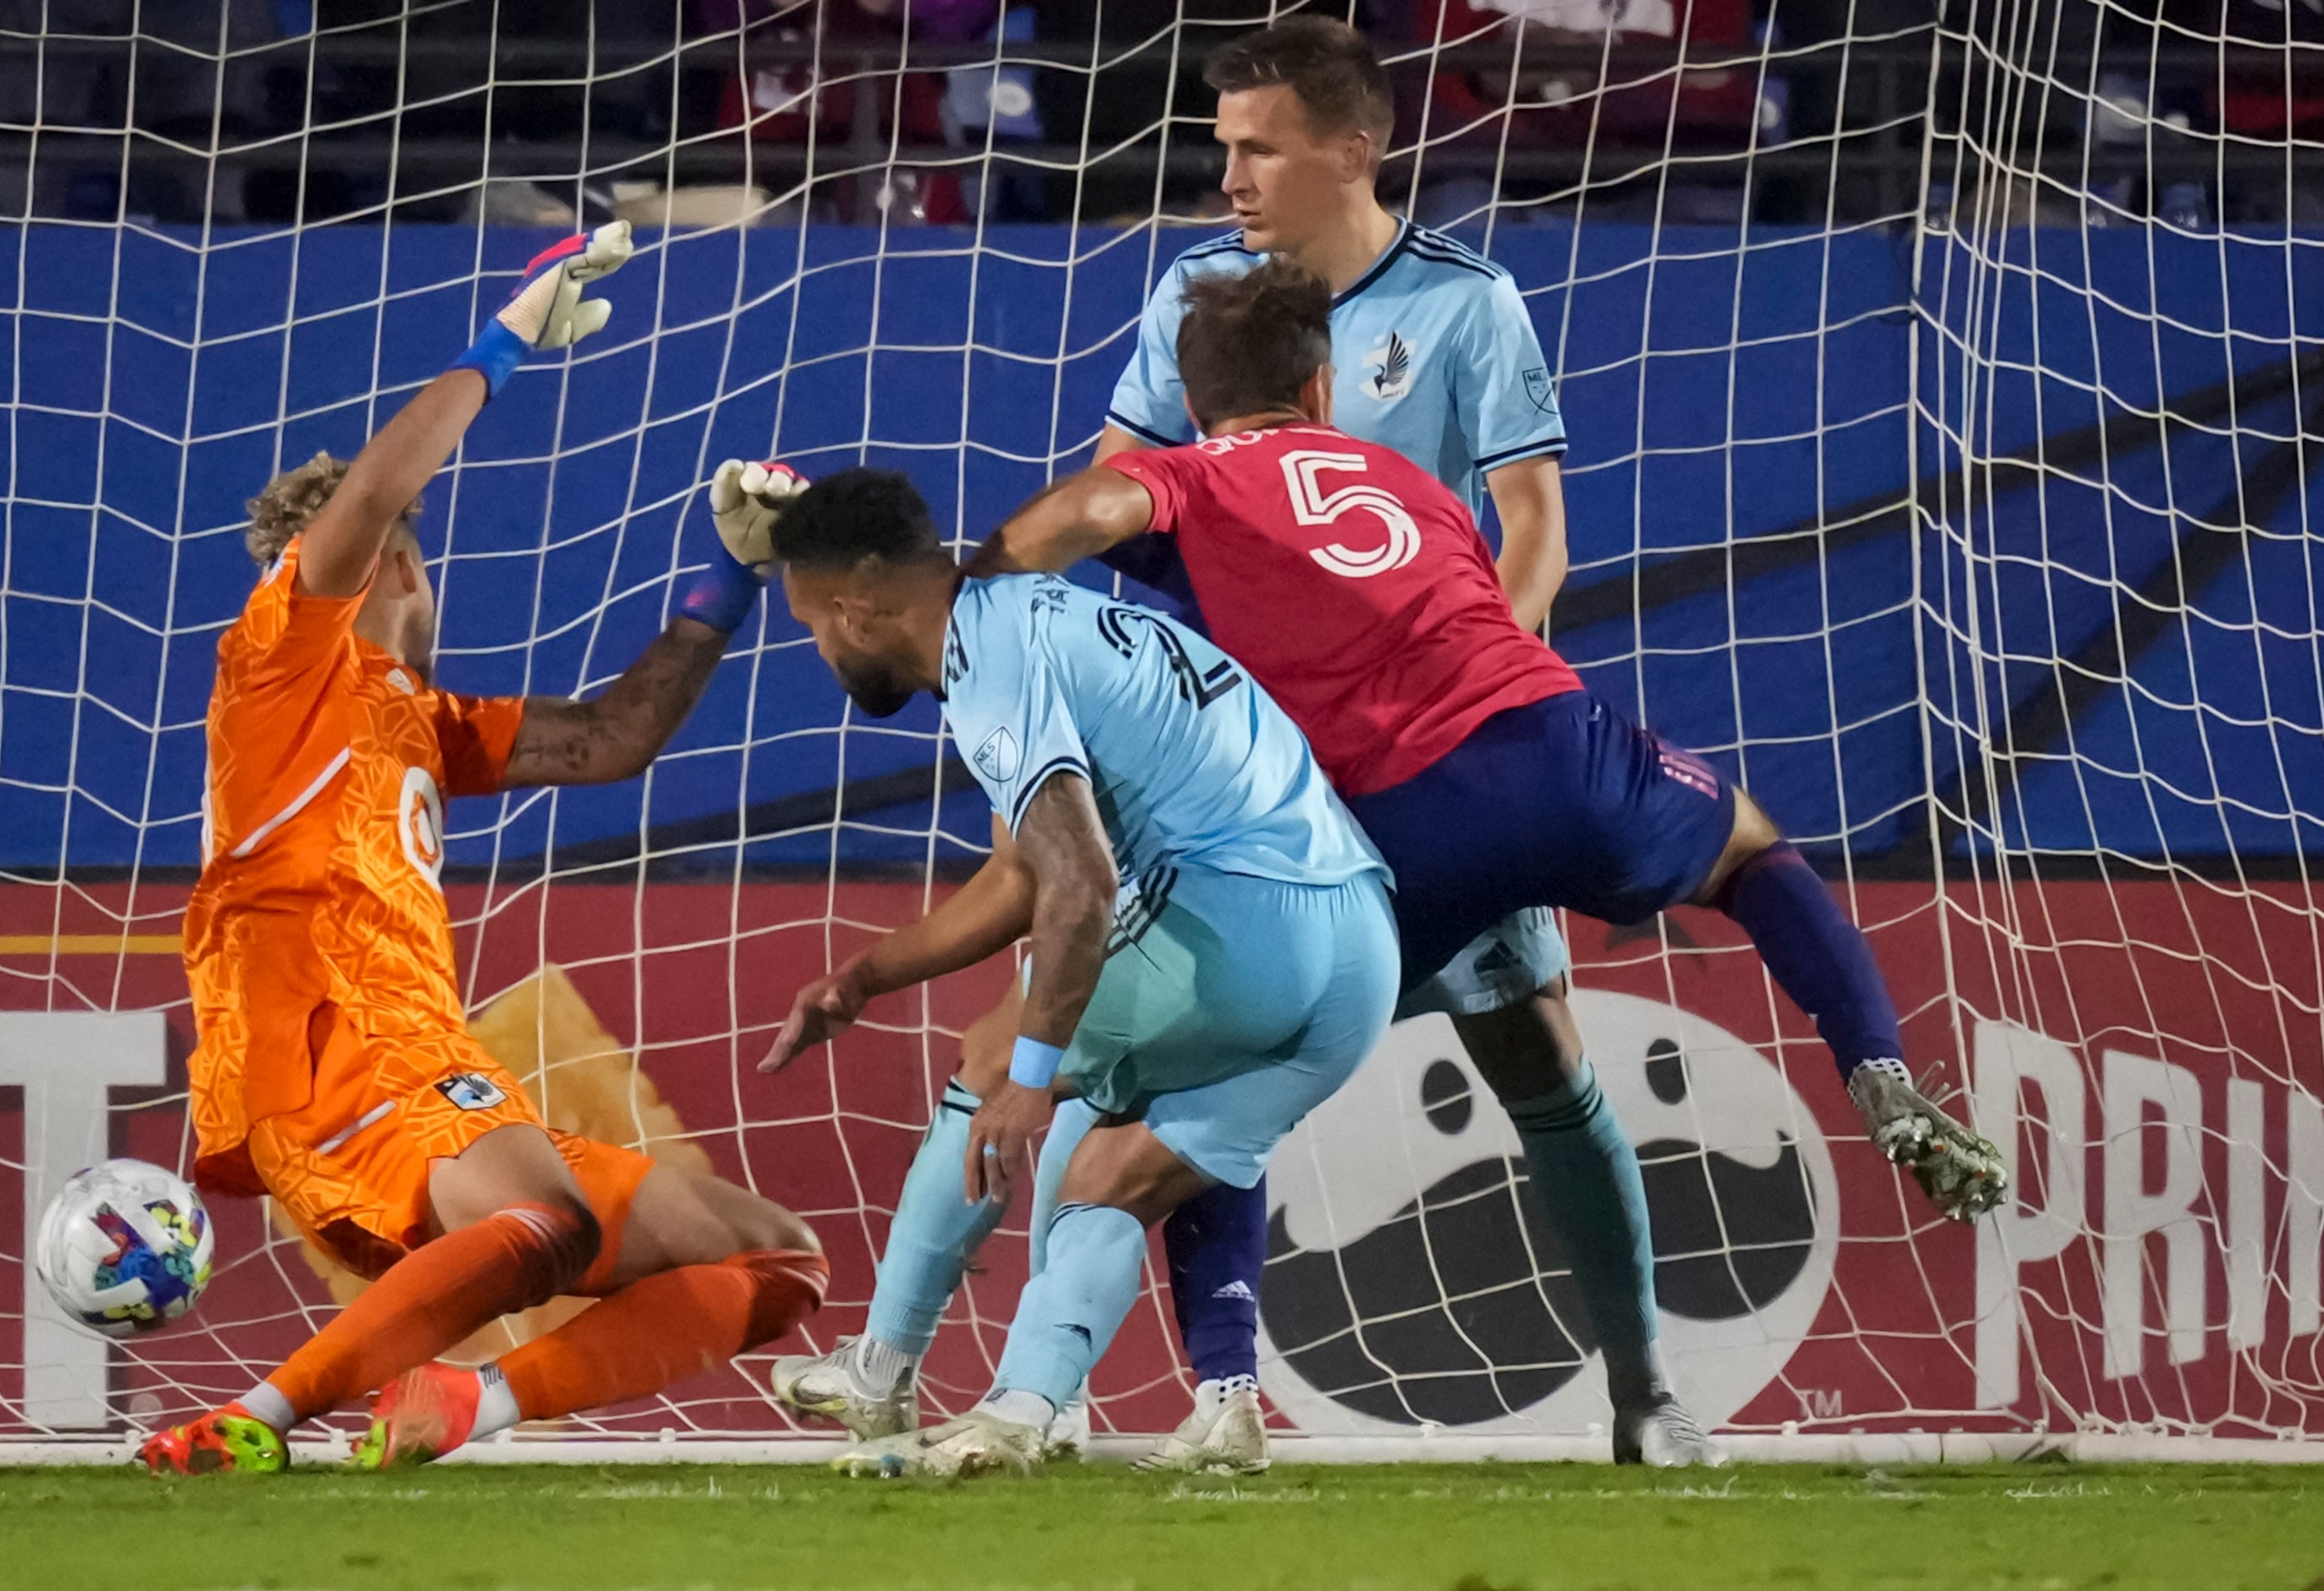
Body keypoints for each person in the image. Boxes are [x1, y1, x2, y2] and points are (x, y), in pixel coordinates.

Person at [769, 14, 1681, 1472]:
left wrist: (1465, 707)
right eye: (1221, 146)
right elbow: (1125, 497)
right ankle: (1206, 1389)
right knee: (1167, 1088)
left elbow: (1532, 529)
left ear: (1351, 151)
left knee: (1513, 1054)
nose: (1229, 176)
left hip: (1420, 763)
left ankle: (1642, 1384)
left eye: (1254, 147)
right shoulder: (1194, 292)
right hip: (1254, 765)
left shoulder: (1467, 303)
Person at [976, 261, 2012, 1443]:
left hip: (1397, 818)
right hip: (1559, 744)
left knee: (1197, 1088)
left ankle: (1170, 1394)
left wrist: (985, 600)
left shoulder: (1177, 477)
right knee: (1736, 860)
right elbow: (1510, 557)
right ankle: (1870, 1083)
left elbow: (1079, 518)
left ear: (1190, 395)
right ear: (1321, 384)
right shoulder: (1406, 477)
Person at [143, 225, 826, 1475]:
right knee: (547, 1219)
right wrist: (506, 341)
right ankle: (259, 1417)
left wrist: (728, 580)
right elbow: (366, 498)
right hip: (329, 1039)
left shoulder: (421, 723)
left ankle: (470, 1405)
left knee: (769, 1255)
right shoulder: (284, 661)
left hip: (427, 1061)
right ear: (400, 555)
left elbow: (616, 737)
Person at [755, 468, 1400, 1478]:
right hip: (1358, 958)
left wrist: (1030, 1066)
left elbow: (1080, 884)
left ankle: (880, 1372)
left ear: (858, 606)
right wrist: (865, 977)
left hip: (1239, 929)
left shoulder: (990, 667)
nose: (821, 650)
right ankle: (1022, 1410)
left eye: (811, 626)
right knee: (1110, 1172)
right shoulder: (1044, 612)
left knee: (990, 1056)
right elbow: (1022, 875)